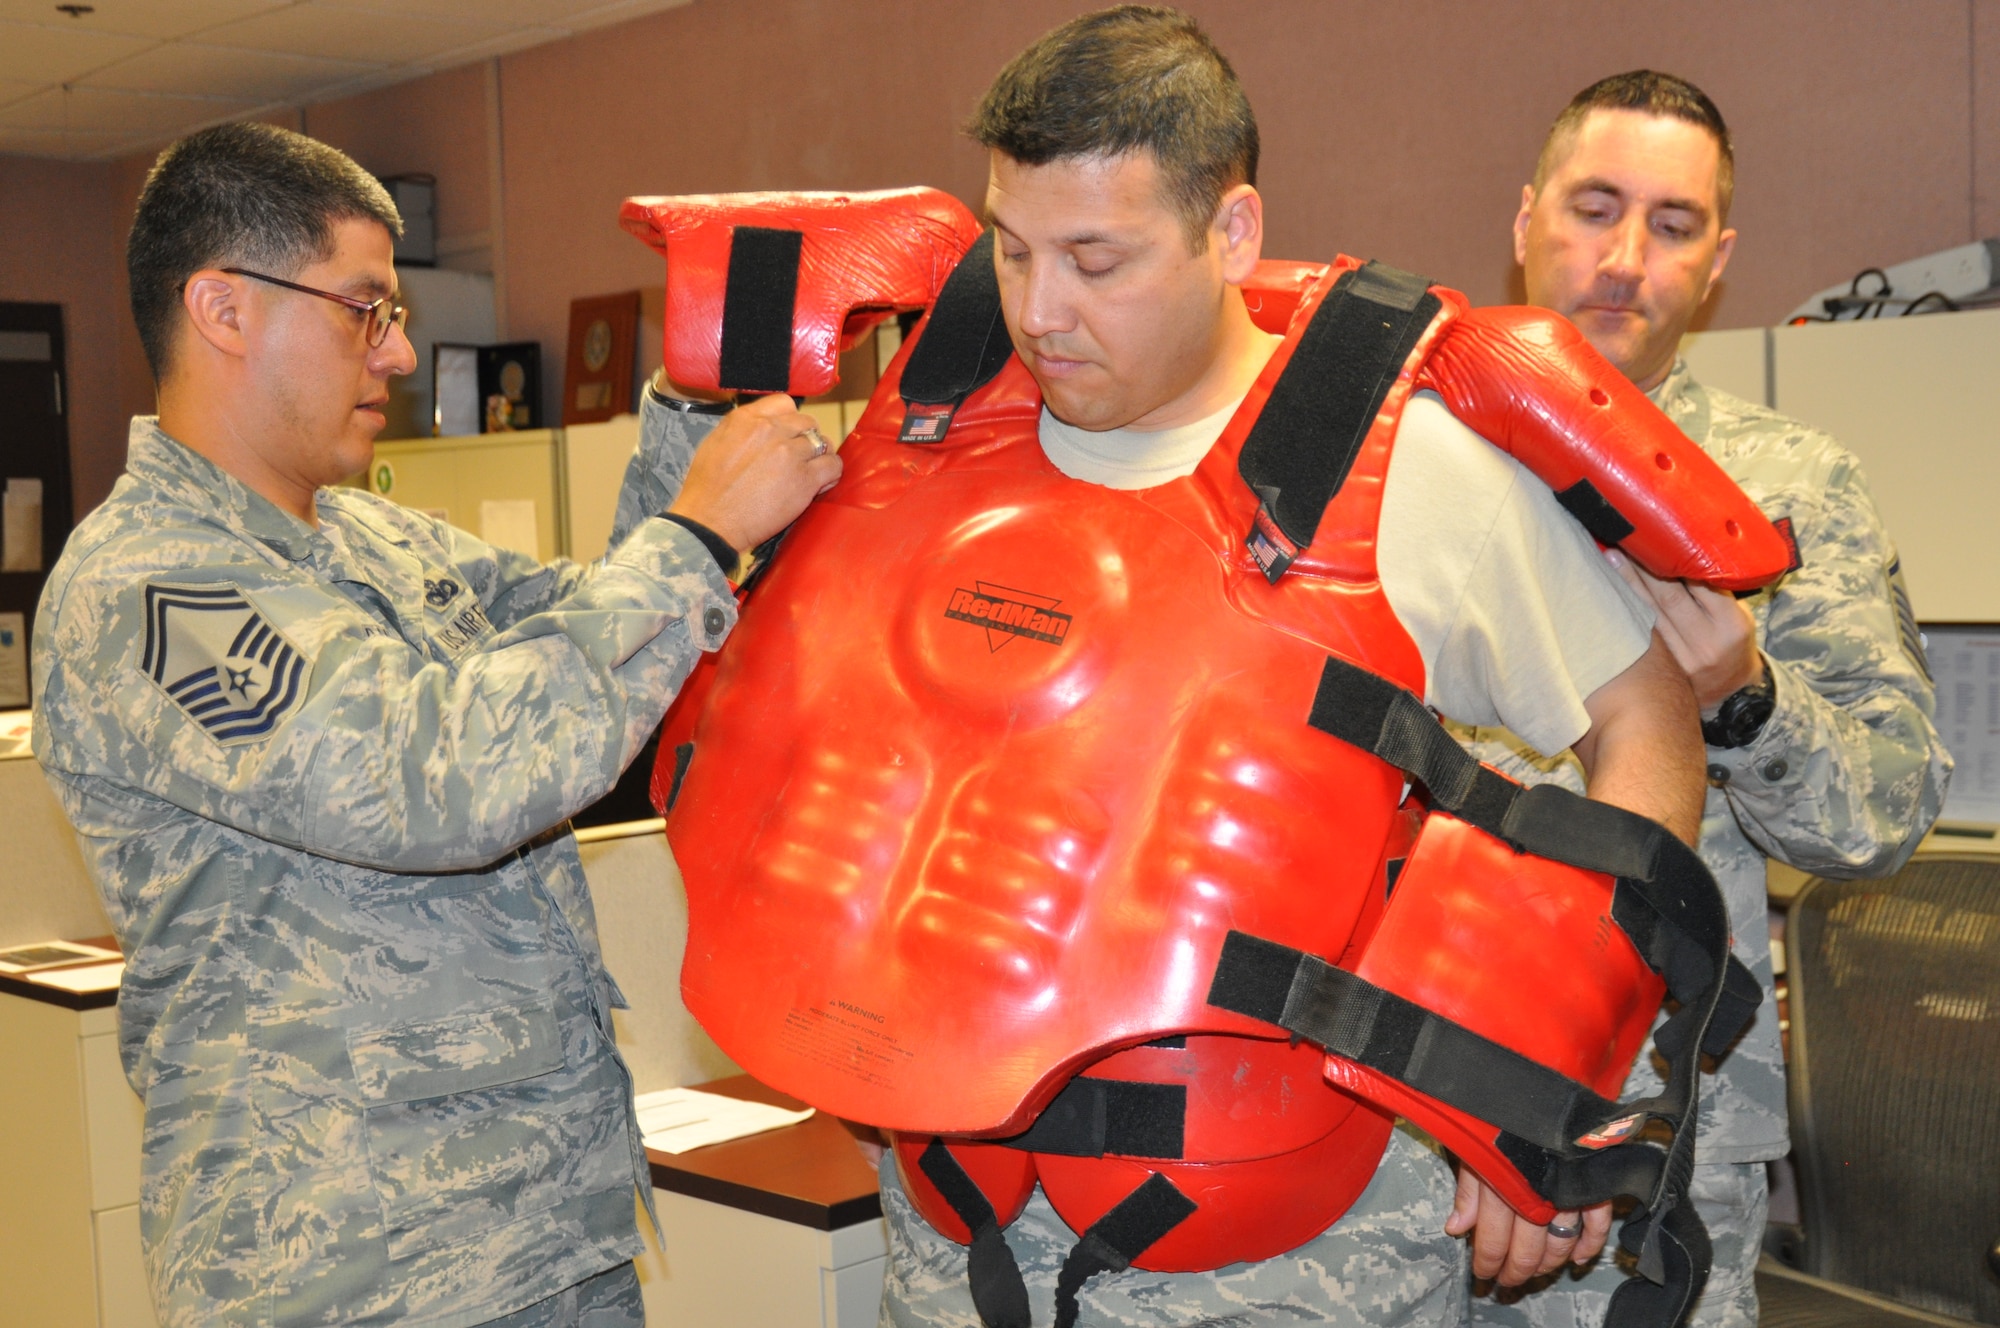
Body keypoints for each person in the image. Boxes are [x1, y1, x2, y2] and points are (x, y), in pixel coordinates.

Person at [643, 12, 1744, 1327]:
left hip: (1297, 1259)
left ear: (1230, 235)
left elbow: (1645, 719)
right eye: (1012, 248)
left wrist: (1541, 1084)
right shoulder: (913, 444)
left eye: (1095, 259)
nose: (1039, 310)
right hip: (951, 1235)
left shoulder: (1408, 475)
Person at [30, 121, 837, 1327]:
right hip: (355, 1270)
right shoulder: (145, 591)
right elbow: (436, 778)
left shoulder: (369, 537)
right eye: (366, 308)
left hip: (543, 1231)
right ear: (223, 308)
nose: (399, 350)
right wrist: (702, 537)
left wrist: (696, 397)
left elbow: (596, 632)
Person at [1450, 70, 1951, 1328]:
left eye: (1670, 226)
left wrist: (1743, 696)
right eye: (1593, 207)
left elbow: (1881, 816)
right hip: (1393, 1106)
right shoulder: (1392, 462)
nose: (1622, 258)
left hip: (1650, 1137)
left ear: (1716, 260)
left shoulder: (1792, 487)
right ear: (1523, 220)